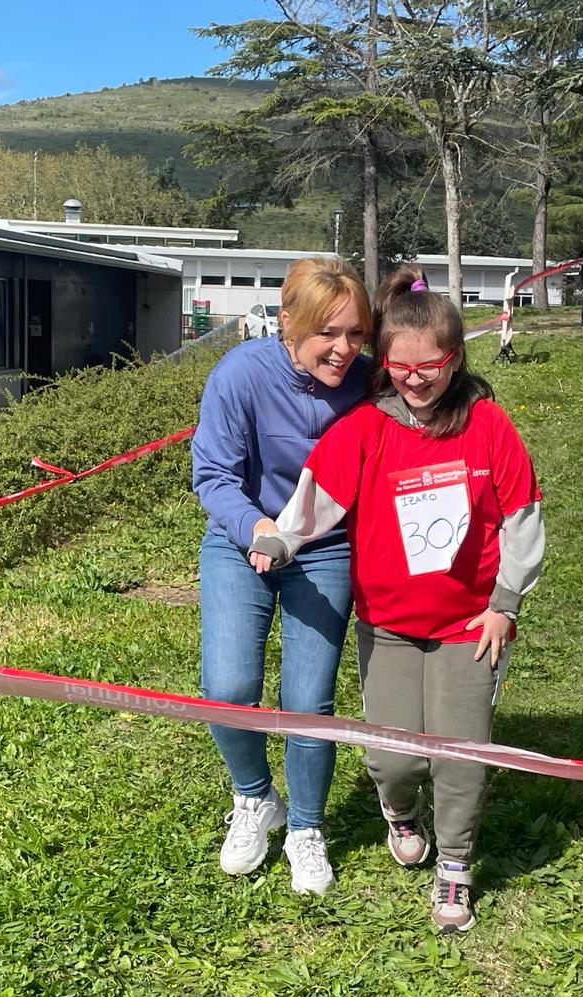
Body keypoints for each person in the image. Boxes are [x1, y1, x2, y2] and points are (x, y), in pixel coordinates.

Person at [250, 267, 545, 933]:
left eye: (431, 367)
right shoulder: (365, 429)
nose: (415, 379)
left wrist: (505, 602)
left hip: (470, 624)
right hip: (386, 623)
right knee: (393, 757)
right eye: (400, 367)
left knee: (460, 753)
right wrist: (283, 541)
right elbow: (317, 495)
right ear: (386, 365)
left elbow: (523, 519)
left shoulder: (488, 425)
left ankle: (456, 870)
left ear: (455, 359)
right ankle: (401, 809)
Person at [191, 257, 373, 896]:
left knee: (307, 700)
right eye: (329, 332)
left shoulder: (366, 383)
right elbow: (213, 476)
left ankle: (305, 828)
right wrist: (259, 530)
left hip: (324, 549)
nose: (344, 349)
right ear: (288, 323)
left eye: (355, 333)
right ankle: (254, 797)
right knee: (228, 687)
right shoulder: (238, 376)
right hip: (243, 543)